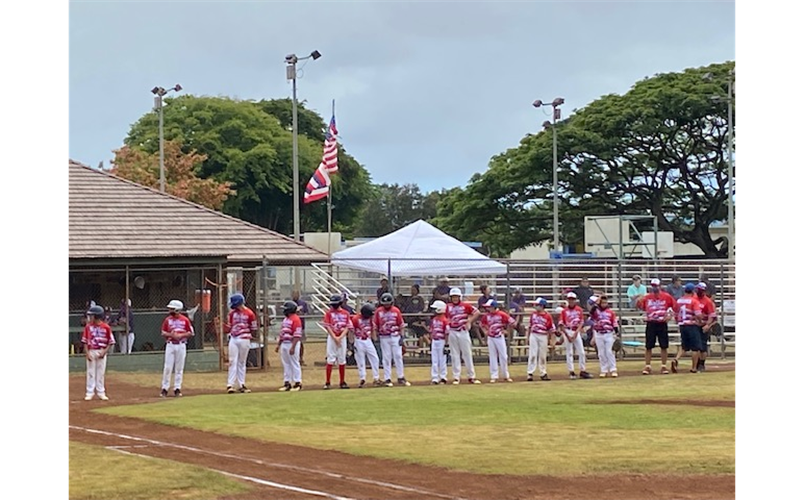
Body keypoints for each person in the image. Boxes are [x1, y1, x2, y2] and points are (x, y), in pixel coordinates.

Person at [636, 278, 676, 375]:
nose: (655, 288)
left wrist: (670, 316)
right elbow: (640, 307)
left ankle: (663, 366)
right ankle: (647, 366)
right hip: (651, 322)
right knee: (649, 346)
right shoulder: (647, 297)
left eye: (656, 286)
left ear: (660, 286)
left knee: (664, 346)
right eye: (653, 286)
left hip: (662, 323)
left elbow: (675, 307)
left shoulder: (666, 297)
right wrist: (638, 301)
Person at [446, 287, 482, 384]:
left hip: (463, 331)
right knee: (454, 354)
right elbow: (444, 317)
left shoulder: (465, 306)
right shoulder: (447, 306)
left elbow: (477, 312)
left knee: (467, 354)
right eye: (453, 297)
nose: (455, 299)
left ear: (460, 297)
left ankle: (471, 376)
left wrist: (469, 321)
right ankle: (456, 377)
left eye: (456, 297)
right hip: (453, 331)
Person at [374, 292, 411, 387]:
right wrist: (376, 337)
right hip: (384, 336)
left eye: (388, 303)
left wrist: (402, 337)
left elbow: (401, 325)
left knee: (398, 356)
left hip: (395, 336)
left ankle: (401, 377)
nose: (386, 305)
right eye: (384, 303)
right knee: (386, 357)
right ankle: (387, 378)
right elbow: (375, 326)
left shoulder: (396, 311)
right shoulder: (379, 311)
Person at [160, 300, 194, 397]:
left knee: (179, 368)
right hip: (170, 344)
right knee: (167, 367)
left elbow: (190, 332)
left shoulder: (185, 320)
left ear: (177, 309)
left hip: (181, 344)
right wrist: (171, 334)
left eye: (172, 308)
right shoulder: (167, 320)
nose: (170, 310)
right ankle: (165, 388)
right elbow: (163, 332)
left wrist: (180, 335)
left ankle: (177, 388)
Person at [225, 293, 257, 394]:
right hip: (234, 338)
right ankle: (230, 385)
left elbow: (253, 328)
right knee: (232, 361)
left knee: (242, 362)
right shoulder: (232, 313)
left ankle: (241, 384)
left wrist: (248, 335)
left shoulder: (250, 313)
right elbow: (229, 326)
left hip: (244, 338)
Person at [81, 304, 115, 401]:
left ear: (97, 316)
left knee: (101, 373)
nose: (91, 318)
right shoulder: (88, 327)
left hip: (101, 350)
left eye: (92, 316)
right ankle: (89, 392)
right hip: (92, 350)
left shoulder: (106, 327)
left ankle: (101, 392)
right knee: (91, 372)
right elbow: (85, 341)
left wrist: (104, 352)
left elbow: (110, 341)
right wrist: (87, 353)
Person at [671, 283, 705, 374]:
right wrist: (701, 320)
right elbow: (698, 314)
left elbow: (675, 313)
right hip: (692, 325)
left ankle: (676, 359)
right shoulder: (694, 301)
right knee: (695, 347)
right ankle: (694, 368)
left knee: (684, 346)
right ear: (693, 291)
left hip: (682, 325)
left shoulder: (679, 301)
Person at [479, 299, 515, 383]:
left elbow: (512, 323)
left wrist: (506, 331)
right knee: (492, 356)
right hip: (491, 337)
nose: (488, 309)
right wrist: (485, 332)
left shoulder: (502, 314)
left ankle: (505, 375)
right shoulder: (487, 316)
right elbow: (481, 324)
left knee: (503, 356)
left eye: (489, 307)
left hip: (499, 336)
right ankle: (494, 375)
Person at [558, 292, 592, 379]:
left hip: (575, 331)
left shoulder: (579, 310)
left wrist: (577, 332)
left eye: (572, 299)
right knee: (569, 352)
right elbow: (561, 324)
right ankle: (571, 371)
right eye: (569, 299)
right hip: (568, 330)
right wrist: (567, 335)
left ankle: (582, 370)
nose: (571, 301)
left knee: (581, 352)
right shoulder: (564, 311)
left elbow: (581, 322)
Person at [350, 303, 382, 388]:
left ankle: (376, 378)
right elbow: (351, 331)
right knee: (360, 361)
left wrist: (375, 340)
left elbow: (373, 329)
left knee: (375, 358)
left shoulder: (370, 319)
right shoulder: (356, 319)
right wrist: (351, 343)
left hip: (368, 340)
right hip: (359, 340)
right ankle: (362, 378)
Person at [323, 294, 351, 389]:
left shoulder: (345, 313)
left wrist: (340, 337)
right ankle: (327, 382)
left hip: (342, 337)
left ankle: (342, 381)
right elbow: (328, 326)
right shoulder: (329, 313)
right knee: (330, 358)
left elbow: (347, 327)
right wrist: (335, 337)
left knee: (342, 359)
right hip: (332, 337)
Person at [588, 296, 620, 377]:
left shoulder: (610, 312)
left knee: (609, 352)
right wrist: (596, 305)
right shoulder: (596, 311)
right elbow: (591, 314)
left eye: (605, 303)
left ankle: (613, 369)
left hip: (608, 333)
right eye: (602, 303)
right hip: (599, 333)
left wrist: (616, 333)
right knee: (601, 353)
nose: (604, 304)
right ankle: (604, 369)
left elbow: (614, 323)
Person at [276, 300, 303, 392]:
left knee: (294, 363)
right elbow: (282, 333)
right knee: (286, 364)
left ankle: (297, 383)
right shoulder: (285, 319)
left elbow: (297, 335)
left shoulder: (295, 319)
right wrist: (278, 344)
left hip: (292, 343)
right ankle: (287, 383)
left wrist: (293, 347)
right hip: (285, 343)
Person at [527, 297, 555, 381]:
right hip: (534, 334)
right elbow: (530, 326)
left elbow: (551, 329)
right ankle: (530, 372)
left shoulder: (547, 316)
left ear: (542, 306)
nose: (535, 306)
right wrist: (527, 337)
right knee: (533, 354)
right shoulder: (533, 314)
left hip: (543, 335)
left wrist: (551, 340)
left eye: (537, 305)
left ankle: (543, 372)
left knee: (542, 355)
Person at [695, 282, 718, 372]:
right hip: (695, 325)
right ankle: (696, 363)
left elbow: (712, 316)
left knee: (703, 346)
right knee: (696, 346)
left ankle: (702, 363)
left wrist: (707, 325)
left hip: (704, 325)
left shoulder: (708, 301)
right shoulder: (694, 299)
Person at [427, 300, 450, 385]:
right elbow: (431, 331)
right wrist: (430, 340)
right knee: (435, 360)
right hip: (435, 341)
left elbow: (447, 333)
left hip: (442, 341)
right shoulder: (434, 319)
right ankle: (435, 378)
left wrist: (447, 344)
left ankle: (443, 377)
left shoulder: (444, 320)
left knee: (442, 360)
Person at [291, 290, 309, 366]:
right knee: (291, 342)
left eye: (296, 294)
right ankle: (292, 358)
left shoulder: (303, 303)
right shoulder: (290, 303)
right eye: (294, 294)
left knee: (300, 343)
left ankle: (300, 358)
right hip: (291, 327)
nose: (295, 296)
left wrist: (301, 313)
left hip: (300, 326)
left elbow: (307, 312)